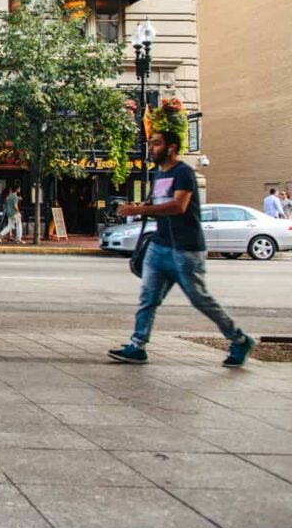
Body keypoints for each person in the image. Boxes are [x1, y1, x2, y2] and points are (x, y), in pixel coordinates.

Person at [110, 130, 256, 367]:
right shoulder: (158, 174)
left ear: (172, 148)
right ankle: (137, 346)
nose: (151, 148)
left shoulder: (184, 173)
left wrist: (142, 211)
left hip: (186, 249)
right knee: (148, 298)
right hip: (159, 245)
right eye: (150, 143)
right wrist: (141, 206)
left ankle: (239, 339)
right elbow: (156, 204)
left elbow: (179, 206)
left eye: (156, 144)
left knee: (200, 299)